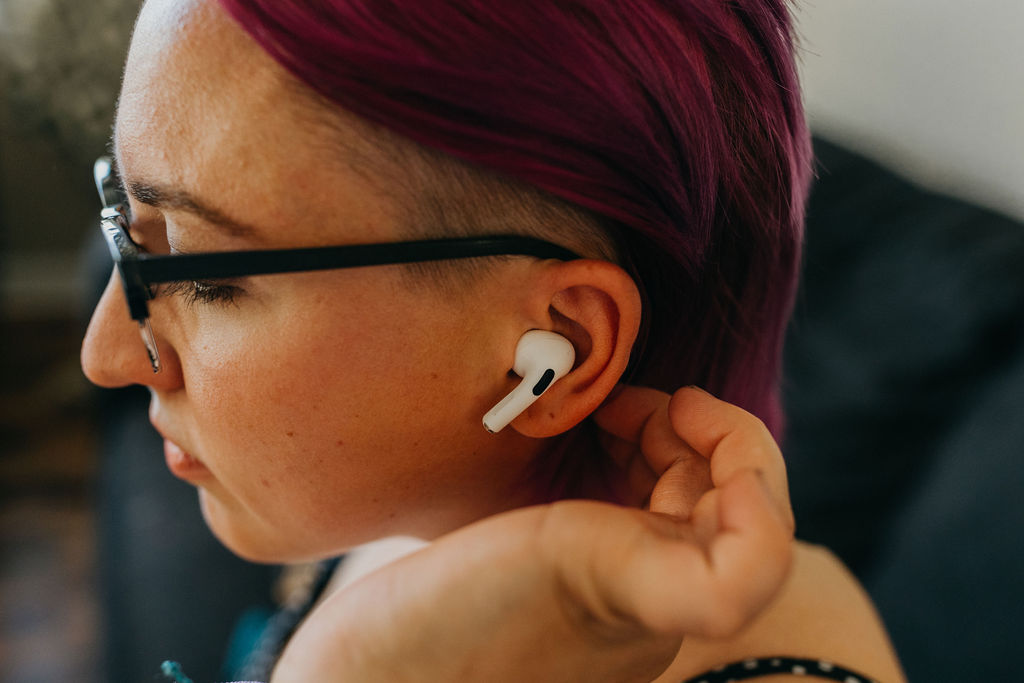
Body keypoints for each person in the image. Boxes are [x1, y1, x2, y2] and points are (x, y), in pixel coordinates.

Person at [80, 0, 905, 681]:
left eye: (201, 272)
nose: (104, 353)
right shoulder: (405, 499)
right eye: (126, 219)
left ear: (555, 347)